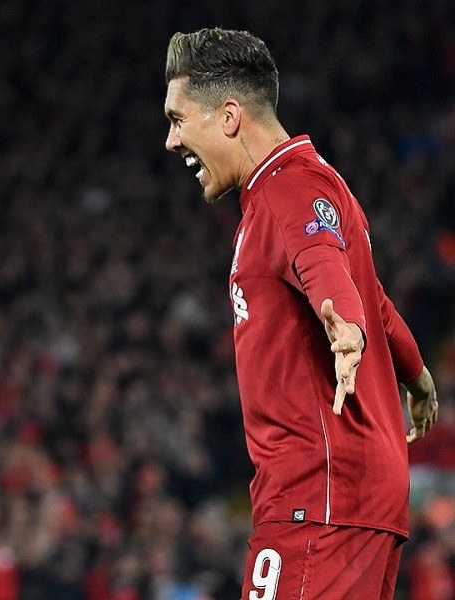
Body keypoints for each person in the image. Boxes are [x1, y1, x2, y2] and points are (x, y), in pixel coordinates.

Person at [163, 28, 439, 599]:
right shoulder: (317, 182)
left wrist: (346, 330)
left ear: (229, 117)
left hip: (317, 503)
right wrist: (416, 375)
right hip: (355, 500)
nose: (171, 140)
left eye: (178, 119)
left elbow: (327, 273)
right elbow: (373, 298)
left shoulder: (284, 190)